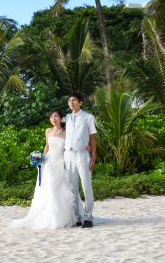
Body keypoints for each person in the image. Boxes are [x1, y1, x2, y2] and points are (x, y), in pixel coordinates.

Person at [7, 109, 77, 230]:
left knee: (59, 188)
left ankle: (61, 218)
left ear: (61, 118)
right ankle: (49, 217)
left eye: (56, 116)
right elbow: (47, 145)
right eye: (51, 117)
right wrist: (42, 157)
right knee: (49, 186)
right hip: (48, 162)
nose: (53, 119)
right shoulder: (48, 131)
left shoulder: (67, 132)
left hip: (60, 162)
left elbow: (72, 146)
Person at [64, 91, 97, 228]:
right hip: (69, 154)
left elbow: (93, 137)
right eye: (70, 100)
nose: (71, 102)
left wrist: (93, 155)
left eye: (74, 100)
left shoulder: (88, 117)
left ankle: (88, 217)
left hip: (83, 153)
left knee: (86, 185)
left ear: (80, 103)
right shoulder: (66, 117)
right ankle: (77, 217)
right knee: (72, 187)